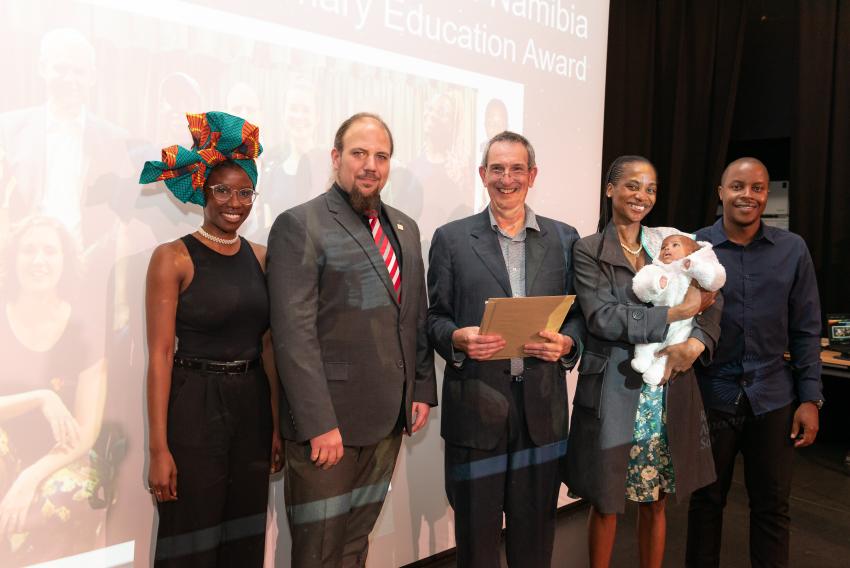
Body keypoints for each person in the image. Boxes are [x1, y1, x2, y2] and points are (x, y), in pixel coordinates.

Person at [267, 112, 437, 568]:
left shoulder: (405, 228)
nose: (370, 165)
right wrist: (319, 423)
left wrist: (420, 389)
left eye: (381, 156)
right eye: (359, 153)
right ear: (336, 157)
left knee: (354, 545)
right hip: (329, 429)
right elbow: (293, 334)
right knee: (319, 553)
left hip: (387, 421)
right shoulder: (300, 224)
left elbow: (413, 316)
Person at [427, 131, 584, 567]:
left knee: (535, 542)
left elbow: (579, 316)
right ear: (482, 174)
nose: (507, 178)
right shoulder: (452, 239)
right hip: (476, 409)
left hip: (543, 412)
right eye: (497, 168)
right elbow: (435, 318)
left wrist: (569, 343)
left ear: (532, 175)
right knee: (476, 544)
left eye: (517, 169)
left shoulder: (564, 238)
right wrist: (457, 338)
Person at [564, 155, 721, 568]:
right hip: (615, 389)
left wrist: (697, 343)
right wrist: (675, 314)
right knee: (607, 502)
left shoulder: (670, 240)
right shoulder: (588, 249)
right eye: (632, 185)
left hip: (667, 388)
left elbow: (712, 297)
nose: (642, 196)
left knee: (656, 502)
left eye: (650, 188)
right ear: (610, 189)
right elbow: (602, 317)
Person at [140, 111, 282, 566]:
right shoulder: (173, 258)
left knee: (245, 530)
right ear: (203, 190)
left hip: (252, 406)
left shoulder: (262, 258)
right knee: (191, 533)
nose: (234, 202)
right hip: (194, 405)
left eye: (245, 192)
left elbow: (268, 347)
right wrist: (158, 449)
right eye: (222, 190)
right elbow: (161, 355)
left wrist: (276, 425)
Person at [686, 157, 823, 568]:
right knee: (706, 502)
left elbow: (806, 328)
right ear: (721, 192)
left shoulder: (792, 249)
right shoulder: (693, 248)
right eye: (739, 186)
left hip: (775, 396)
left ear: (767, 194)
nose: (748, 195)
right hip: (710, 393)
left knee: (773, 508)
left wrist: (810, 399)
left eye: (758, 188)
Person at [0, 216, 108, 565]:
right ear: (13, 259)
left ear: (65, 261)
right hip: (5, 453)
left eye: (50, 250)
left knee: (70, 497)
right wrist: (41, 397)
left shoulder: (85, 329)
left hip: (62, 456)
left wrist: (29, 478)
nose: (39, 260)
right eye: (28, 250)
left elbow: (87, 431)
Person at [631, 234, 726, 385]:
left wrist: (695, 266)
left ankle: (658, 369)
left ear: (691, 253)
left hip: (686, 325)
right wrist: (657, 284)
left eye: (675, 245)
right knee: (648, 341)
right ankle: (643, 358)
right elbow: (641, 287)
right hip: (657, 320)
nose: (667, 248)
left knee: (675, 344)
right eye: (663, 247)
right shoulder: (658, 269)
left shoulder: (695, 265)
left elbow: (716, 283)